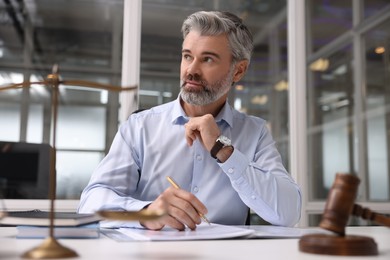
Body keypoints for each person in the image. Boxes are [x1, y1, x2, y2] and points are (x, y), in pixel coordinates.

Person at [78, 11, 301, 231]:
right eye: (187, 56)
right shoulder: (140, 127)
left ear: (238, 71)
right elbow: (90, 204)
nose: (191, 70)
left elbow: (288, 213)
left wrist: (224, 150)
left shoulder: (255, 132)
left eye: (207, 59)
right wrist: (146, 212)